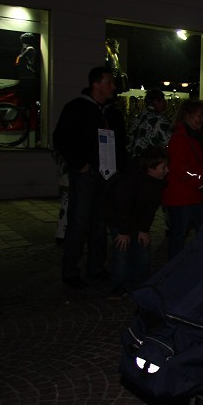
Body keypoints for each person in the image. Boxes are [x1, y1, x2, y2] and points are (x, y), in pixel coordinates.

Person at [53, 66, 124, 289]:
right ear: (97, 84)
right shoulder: (76, 108)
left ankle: (95, 267)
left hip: (108, 175)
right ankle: (70, 270)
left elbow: (121, 143)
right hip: (86, 175)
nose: (114, 87)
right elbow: (61, 139)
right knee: (79, 221)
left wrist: (119, 168)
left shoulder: (112, 112)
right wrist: (80, 165)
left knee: (99, 223)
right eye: (110, 82)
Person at [105, 146, 168, 300]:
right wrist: (124, 231)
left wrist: (144, 229)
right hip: (119, 220)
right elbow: (122, 206)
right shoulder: (130, 181)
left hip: (136, 220)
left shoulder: (157, 183)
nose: (167, 171)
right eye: (163, 168)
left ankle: (139, 284)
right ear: (150, 169)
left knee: (142, 251)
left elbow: (150, 209)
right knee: (122, 253)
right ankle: (118, 287)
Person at [163, 99, 203, 258]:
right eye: (199, 116)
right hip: (181, 197)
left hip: (191, 196)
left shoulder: (190, 138)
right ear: (187, 116)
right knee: (179, 236)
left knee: (200, 231)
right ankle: (173, 270)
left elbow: (195, 166)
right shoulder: (180, 138)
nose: (201, 120)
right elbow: (180, 168)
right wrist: (200, 181)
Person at [128, 89, 173, 159]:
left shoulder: (139, 117)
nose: (164, 104)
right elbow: (169, 141)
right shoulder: (160, 119)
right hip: (148, 162)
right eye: (162, 101)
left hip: (133, 160)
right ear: (155, 102)